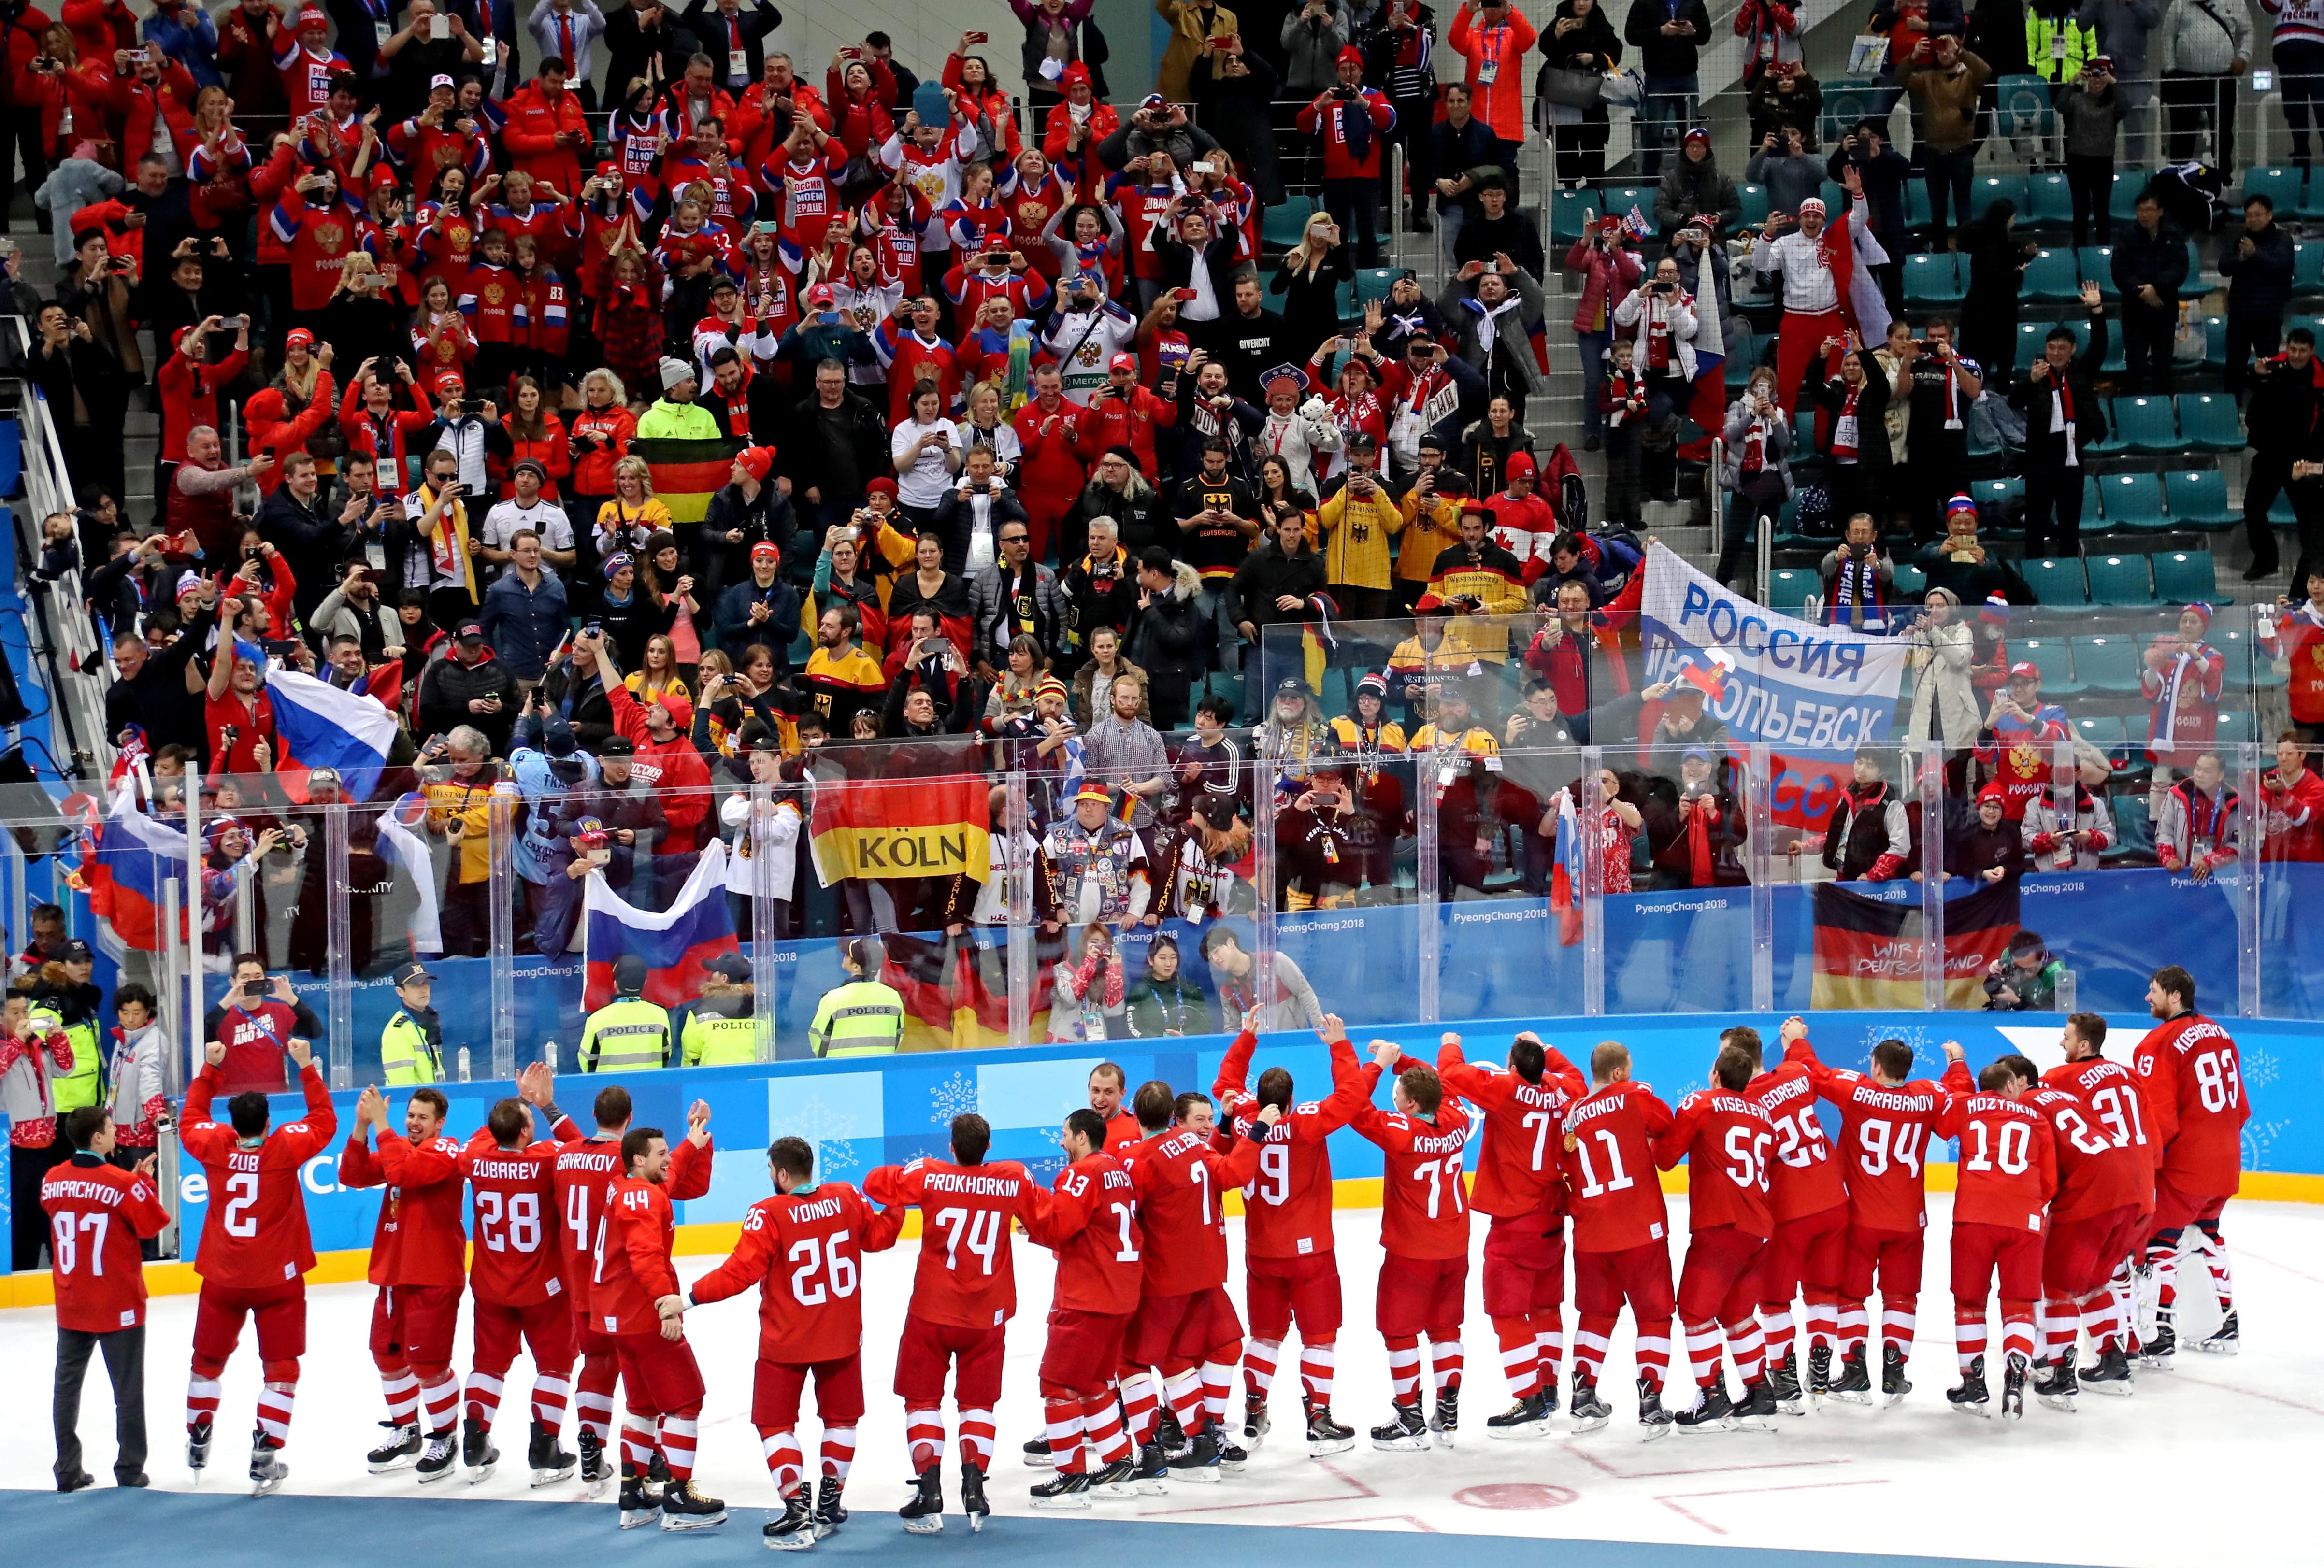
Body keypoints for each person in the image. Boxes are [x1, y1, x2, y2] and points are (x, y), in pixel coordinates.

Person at [684, 1135, 904, 1545]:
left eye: (771, 1170)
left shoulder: (768, 1214)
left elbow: (737, 1275)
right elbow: (879, 1238)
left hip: (785, 1341)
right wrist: (897, 1203)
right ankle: (829, 1501)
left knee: (774, 1423)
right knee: (842, 1421)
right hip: (840, 1337)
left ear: (782, 1174)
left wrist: (689, 1298)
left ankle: (795, 1508)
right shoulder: (846, 1197)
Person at [864, 1112, 1053, 1533]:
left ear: (951, 1146)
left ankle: (929, 1488)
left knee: (922, 1400)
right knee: (978, 1403)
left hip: (932, 1311)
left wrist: (919, 1174)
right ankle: (974, 1486)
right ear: (988, 1147)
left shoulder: (931, 1175)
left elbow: (876, 1183)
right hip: (988, 1316)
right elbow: (1049, 1219)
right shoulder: (1013, 1177)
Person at [179, 1034, 335, 1496]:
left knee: (207, 1360)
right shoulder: (284, 1147)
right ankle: (266, 1451)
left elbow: (190, 1119)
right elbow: (324, 1122)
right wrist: (306, 1067)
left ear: (233, 1121)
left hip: (223, 1277)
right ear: (269, 1122)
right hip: (277, 1280)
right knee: (281, 1366)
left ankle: (198, 1436)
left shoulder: (215, 1145)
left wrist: (210, 1070)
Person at [1209, 1012, 1372, 1453]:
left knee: (1264, 1335)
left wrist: (1246, 1036)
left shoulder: (1245, 1119)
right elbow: (1352, 1096)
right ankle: (1318, 1420)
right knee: (1319, 1337)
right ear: (1293, 1097)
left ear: (1258, 1097)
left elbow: (1225, 1083)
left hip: (1262, 1252)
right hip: (1311, 1253)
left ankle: (1255, 1412)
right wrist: (1339, 1045)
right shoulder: (1307, 1122)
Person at [1780, 1031, 1952, 1405]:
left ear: (1876, 1066)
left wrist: (1796, 1042)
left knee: (1850, 1297)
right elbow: (1957, 1094)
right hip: (1909, 1220)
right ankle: (1895, 1373)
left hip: (1859, 1217)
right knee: (1902, 1297)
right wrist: (1957, 1064)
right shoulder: (1926, 1094)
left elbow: (1812, 1071)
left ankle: (1855, 1370)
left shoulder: (1858, 1091)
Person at [599, 1105, 724, 1530]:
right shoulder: (641, 1196)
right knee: (687, 1401)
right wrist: (666, 1304)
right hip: (643, 1315)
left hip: (618, 1316)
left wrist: (694, 1143)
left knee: (643, 1405)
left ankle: (633, 1493)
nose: (669, 1159)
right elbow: (645, 1256)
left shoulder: (625, 1186)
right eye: (662, 1153)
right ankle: (678, 1495)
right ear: (639, 1159)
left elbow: (673, 1181)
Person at [340, 1083, 469, 1482]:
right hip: (393, 1275)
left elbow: (404, 1173)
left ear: (440, 1123)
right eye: (409, 1115)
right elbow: (352, 1173)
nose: (413, 1123)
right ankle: (406, 1430)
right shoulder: (401, 1148)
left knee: (429, 1364)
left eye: (422, 1117)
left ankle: (445, 1438)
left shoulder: (446, 1151)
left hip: (432, 1275)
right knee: (388, 1356)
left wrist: (382, 1123)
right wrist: (363, 1125)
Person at [1017, 1105, 1142, 1507]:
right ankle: (1120, 1465)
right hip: (1121, 1295)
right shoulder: (1118, 1170)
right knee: (1094, 1384)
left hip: (1088, 1296)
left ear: (1083, 1137)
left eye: (1066, 1134)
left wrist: (1031, 1214)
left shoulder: (1081, 1173)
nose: (1063, 1141)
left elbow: (1059, 1226)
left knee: (1058, 1385)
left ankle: (1070, 1477)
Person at [1652, 1041, 1779, 1430]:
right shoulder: (1763, 1114)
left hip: (1722, 1225)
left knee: (1694, 1312)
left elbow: (1665, 1158)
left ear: (1716, 1076)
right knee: (1738, 1314)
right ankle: (1759, 1392)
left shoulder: (1702, 1102)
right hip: (1758, 1227)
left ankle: (1712, 1395)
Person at [454, 1089, 577, 1490]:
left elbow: (483, 1139)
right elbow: (580, 1148)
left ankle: (475, 1440)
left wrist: (511, 1110)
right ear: (527, 1131)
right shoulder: (546, 1159)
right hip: (544, 1287)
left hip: (491, 1286)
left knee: (487, 1366)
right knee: (555, 1367)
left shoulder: (475, 1158)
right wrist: (542, 1103)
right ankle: (545, 1447)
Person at [43, 1104, 170, 1492]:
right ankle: (130, 1469)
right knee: (128, 1390)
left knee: (67, 1387)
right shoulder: (121, 1182)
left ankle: (67, 1469)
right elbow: (151, 1224)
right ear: (97, 1138)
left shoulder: (52, 1178)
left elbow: (67, 1205)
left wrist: (128, 1185)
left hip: (72, 1300)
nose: (117, 1133)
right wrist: (142, 1184)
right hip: (118, 1302)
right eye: (111, 1128)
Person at [1555, 1040, 1677, 1436]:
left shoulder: (1571, 1116)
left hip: (1591, 1233)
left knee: (1596, 1316)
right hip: (1640, 1228)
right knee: (1655, 1316)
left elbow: (1565, 1164)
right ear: (1620, 1073)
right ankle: (1651, 1403)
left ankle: (1583, 1398)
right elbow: (1667, 1124)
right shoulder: (1634, 1094)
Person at [2134, 964, 2251, 1362]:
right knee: (2208, 1234)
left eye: (2153, 991)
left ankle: (2159, 1336)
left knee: (2159, 1241)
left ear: (2175, 995)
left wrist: (2144, 1165)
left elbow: (2160, 1119)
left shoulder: (2158, 1043)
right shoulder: (2222, 1034)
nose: (2148, 999)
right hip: (2225, 1161)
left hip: (2185, 1166)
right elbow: (2241, 1109)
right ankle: (2226, 1327)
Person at [1736, 1019, 1851, 1410]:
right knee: (1822, 1292)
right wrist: (1794, 1040)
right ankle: (1820, 1367)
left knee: (1775, 1300)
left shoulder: (1745, 1103)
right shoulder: (1795, 1073)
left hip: (1790, 1210)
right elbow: (1804, 1060)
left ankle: (1784, 1378)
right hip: (1834, 1200)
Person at [1935, 1047, 2054, 1420]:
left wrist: (1956, 1068)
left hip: (1974, 1217)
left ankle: (1973, 1383)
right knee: (2019, 1303)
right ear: (2009, 1085)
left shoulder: (1966, 1105)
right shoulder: (2037, 1117)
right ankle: (2017, 1371)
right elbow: (2050, 1181)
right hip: (2024, 1219)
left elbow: (1941, 1125)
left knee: (1969, 1303)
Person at [2013, 287, 2109, 558]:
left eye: (2062, 349)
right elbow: (2014, 401)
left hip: (2072, 454)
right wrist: (2030, 381)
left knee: (2070, 520)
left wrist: (2097, 310)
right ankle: (2034, 573)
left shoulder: (2081, 372)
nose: (2055, 354)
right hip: (2041, 456)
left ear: (2073, 350)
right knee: (2036, 520)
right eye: (2051, 348)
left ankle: (2068, 571)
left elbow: (2100, 347)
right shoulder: (2036, 373)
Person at [203, 954, 324, 1097]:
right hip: (235, 1100)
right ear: (233, 982)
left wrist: (292, 1000)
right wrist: (226, 1003)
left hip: (276, 1096)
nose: (252, 981)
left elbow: (315, 1032)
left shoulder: (281, 1011)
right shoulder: (222, 1015)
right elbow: (205, 1037)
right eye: (245, 977)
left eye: (258, 976)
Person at [2111, 187, 2189, 395]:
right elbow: (2120, 271)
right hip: (2135, 312)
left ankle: (2162, 414)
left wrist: (2155, 288)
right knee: (2135, 366)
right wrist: (2142, 291)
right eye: (2140, 210)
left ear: (2160, 211)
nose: (2145, 214)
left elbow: (2180, 270)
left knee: (2163, 368)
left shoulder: (2174, 235)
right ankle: (2134, 414)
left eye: (2150, 209)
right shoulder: (2126, 236)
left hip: (2164, 310)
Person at [2221, 192, 2295, 399]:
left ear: (2269, 215)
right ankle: (2231, 413)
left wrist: (2255, 254)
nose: (2252, 219)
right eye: (2249, 215)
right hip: (2240, 315)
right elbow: (2223, 267)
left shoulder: (2282, 239)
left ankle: (2269, 414)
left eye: (2258, 215)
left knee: (2269, 366)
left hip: (2267, 315)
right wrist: (2241, 259)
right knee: (2234, 367)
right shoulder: (2239, 238)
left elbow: (2282, 266)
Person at [807, 937, 903, 1056]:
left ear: (857, 967)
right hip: (881, 1069)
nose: (844, 957)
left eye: (847, 955)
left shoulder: (833, 999)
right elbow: (898, 1038)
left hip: (841, 1071)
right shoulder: (893, 997)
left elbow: (819, 1042)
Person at [580, 952, 672, 1071]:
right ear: (644, 983)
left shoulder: (597, 1019)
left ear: (615, 983)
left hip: (610, 1089)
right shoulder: (660, 1014)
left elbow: (587, 1062)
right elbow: (666, 1056)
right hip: (650, 1087)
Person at [380, 960, 445, 1086]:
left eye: (426, 983)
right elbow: (402, 1087)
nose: (423, 990)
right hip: (414, 1104)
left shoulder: (429, 1021)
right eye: (415, 985)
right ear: (400, 991)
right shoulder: (398, 1031)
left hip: (431, 1100)